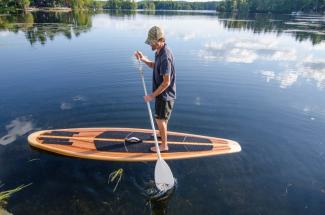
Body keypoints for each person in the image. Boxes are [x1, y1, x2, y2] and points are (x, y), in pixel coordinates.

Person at [134, 26, 176, 152]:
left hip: (165, 95)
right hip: (161, 94)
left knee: (160, 119)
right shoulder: (159, 52)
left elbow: (166, 82)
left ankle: (164, 146)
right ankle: (161, 134)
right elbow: (154, 66)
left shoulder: (165, 57)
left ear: (160, 40)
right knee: (161, 119)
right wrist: (144, 59)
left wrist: (152, 95)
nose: (150, 44)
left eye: (152, 41)